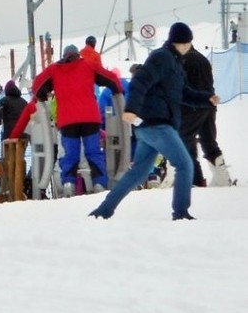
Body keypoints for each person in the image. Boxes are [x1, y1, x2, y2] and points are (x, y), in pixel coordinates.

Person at [90, 22, 219, 220]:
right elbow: (140, 80)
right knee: (185, 164)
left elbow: (183, 93)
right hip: (156, 123)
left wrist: (206, 98)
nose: (189, 47)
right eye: (188, 43)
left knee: (138, 173)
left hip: (151, 127)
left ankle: (103, 210)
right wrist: (131, 108)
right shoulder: (161, 57)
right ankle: (181, 212)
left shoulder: (176, 64)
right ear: (182, 42)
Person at [31, 44, 123, 197]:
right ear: (77, 55)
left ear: (64, 56)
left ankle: (68, 184)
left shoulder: (54, 70)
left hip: (67, 120)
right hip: (90, 118)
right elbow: (112, 78)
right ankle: (99, 183)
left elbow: (37, 86)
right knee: (93, 152)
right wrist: (117, 91)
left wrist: (40, 96)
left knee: (70, 154)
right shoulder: (88, 65)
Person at [179, 45, 231, 187]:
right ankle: (223, 178)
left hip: (192, 107)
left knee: (184, 142)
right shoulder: (203, 59)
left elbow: (182, 87)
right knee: (208, 141)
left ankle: (195, 180)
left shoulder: (183, 60)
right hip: (209, 105)